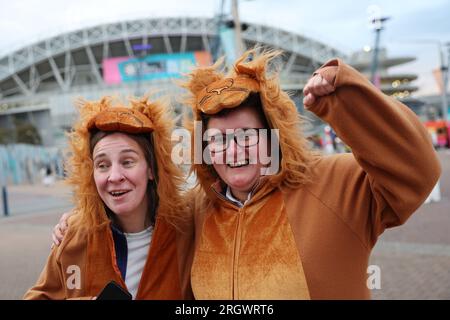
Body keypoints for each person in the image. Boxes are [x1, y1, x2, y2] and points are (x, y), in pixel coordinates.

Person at [52, 49, 441, 299]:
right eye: (218, 140)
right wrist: (85, 217)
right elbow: (143, 216)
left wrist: (349, 101)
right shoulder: (199, 210)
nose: (232, 151)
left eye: (246, 136)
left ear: (273, 136)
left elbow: (417, 171)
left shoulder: (333, 183)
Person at [25, 97, 194, 300]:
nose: (114, 176)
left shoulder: (188, 230)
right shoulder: (74, 235)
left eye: (127, 161)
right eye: (102, 165)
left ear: (151, 168)